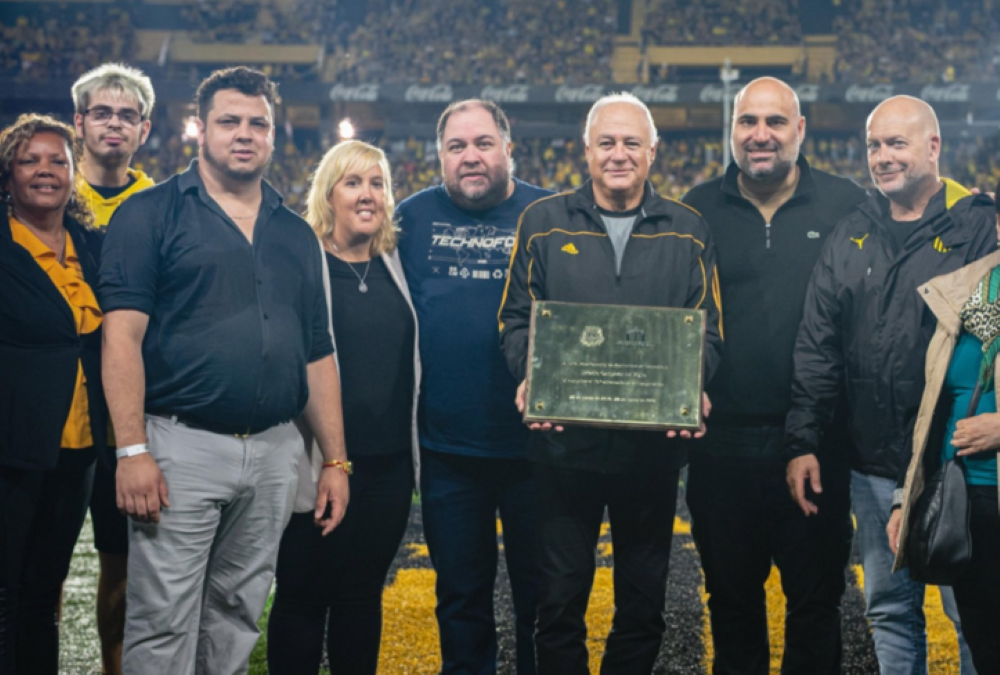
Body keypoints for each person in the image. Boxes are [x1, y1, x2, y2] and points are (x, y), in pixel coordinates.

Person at [97, 66, 349, 675]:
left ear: (273, 133)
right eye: (229, 121)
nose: (244, 134)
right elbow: (121, 338)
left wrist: (336, 461)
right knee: (162, 621)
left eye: (257, 123)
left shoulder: (295, 233)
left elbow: (317, 351)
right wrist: (131, 449)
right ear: (199, 129)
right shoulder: (149, 214)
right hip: (181, 445)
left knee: (236, 616)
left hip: (273, 452)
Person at [499, 92, 723, 674]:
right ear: (586, 151)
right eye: (606, 142)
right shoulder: (543, 221)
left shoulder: (689, 229)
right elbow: (516, 319)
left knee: (644, 607)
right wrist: (532, 375)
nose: (618, 154)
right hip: (562, 448)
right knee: (559, 603)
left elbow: (709, 330)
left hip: (650, 452)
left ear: (652, 151)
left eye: (630, 143)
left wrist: (692, 384)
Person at [786, 95, 996, 674]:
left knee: (972, 614)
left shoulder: (979, 226)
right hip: (873, 467)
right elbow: (818, 343)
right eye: (874, 145)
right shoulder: (853, 229)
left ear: (933, 147)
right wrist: (802, 439)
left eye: (896, 144)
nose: (881, 157)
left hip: (952, 464)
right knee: (889, 612)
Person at [682, 77, 867, 673]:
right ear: (732, 129)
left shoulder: (847, 204)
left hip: (816, 445)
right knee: (731, 604)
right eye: (748, 122)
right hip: (721, 448)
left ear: (801, 130)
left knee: (816, 604)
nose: (760, 135)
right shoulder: (697, 207)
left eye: (775, 122)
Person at [395, 99, 551, 674]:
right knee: (460, 599)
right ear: (439, 156)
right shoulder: (408, 220)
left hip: (540, 448)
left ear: (509, 149)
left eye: (483, 143)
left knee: (546, 600)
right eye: (457, 147)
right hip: (447, 449)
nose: (471, 157)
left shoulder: (550, 213)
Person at [267, 140, 420, 675]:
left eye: (377, 183)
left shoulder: (398, 264)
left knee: (360, 596)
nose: (367, 194)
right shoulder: (302, 262)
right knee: (303, 595)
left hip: (388, 467)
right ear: (327, 193)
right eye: (353, 183)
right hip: (315, 462)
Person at [0, 114, 106, 674]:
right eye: (29, 160)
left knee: (45, 592)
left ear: (72, 172)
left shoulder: (90, 244)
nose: (45, 171)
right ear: (8, 176)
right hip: (12, 446)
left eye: (57, 161)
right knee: (3, 594)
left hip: (78, 447)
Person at [888, 195, 1000, 674]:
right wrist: (904, 496)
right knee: (985, 643)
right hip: (971, 502)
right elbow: (929, 403)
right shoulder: (965, 290)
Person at [71, 61, 156, 675]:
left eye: (126, 115)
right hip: (50, 405)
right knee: (29, 565)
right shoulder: (39, 190)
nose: (114, 124)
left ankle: (113, 669)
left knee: (121, 564)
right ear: (79, 122)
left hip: (125, 414)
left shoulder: (159, 205)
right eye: (102, 112)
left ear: (144, 130)